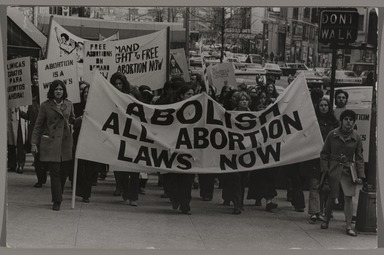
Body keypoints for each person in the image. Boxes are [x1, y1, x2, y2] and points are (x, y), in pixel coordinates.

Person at [31, 80, 76, 211]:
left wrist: (82, 118)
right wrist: (34, 143)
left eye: (61, 89)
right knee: (55, 172)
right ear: (52, 91)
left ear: (64, 91)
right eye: (56, 89)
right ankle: (57, 200)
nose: (58, 91)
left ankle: (58, 195)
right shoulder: (45, 106)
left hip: (65, 144)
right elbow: (38, 125)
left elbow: (72, 120)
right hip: (51, 143)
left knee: (63, 173)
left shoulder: (69, 104)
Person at [320, 110, 365, 237]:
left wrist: (360, 175)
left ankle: (349, 225)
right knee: (331, 195)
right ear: (341, 120)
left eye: (351, 119)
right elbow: (324, 153)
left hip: (348, 169)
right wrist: (325, 169)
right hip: (333, 168)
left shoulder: (356, 137)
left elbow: (360, 157)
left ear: (354, 122)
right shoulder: (332, 134)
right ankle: (326, 219)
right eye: (346, 119)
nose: (348, 121)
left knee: (348, 197)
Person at [302, 98, 339, 223]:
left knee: (327, 186)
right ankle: (314, 212)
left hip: (329, 158)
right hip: (315, 158)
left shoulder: (334, 124)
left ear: (329, 107)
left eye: (325, 105)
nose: (323, 107)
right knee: (314, 184)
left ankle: (325, 210)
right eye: (321, 105)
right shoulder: (313, 122)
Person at [109, 72, 140, 206]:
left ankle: (133, 196)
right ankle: (125, 191)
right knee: (121, 168)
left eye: (120, 83)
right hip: (118, 135)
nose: (118, 86)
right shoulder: (110, 96)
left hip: (133, 135)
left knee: (134, 168)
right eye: (115, 84)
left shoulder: (132, 96)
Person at [221, 91, 251, 215]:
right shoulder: (231, 115)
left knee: (243, 179)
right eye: (241, 100)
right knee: (235, 178)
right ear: (237, 102)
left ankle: (240, 201)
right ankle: (236, 203)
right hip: (234, 149)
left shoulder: (253, 114)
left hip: (247, 150)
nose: (244, 102)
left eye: (246, 100)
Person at [168, 84, 195, 215]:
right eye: (189, 94)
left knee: (188, 178)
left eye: (193, 94)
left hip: (190, 147)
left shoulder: (197, 109)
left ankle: (185, 204)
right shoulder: (174, 109)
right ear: (181, 96)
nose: (191, 96)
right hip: (175, 147)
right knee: (175, 176)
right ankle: (175, 198)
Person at [19, 73, 47, 187]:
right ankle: (40, 179)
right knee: (37, 158)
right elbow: (28, 116)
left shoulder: (47, 104)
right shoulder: (32, 104)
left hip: (45, 134)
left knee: (43, 158)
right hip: (35, 134)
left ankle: (43, 176)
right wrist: (19, 112)